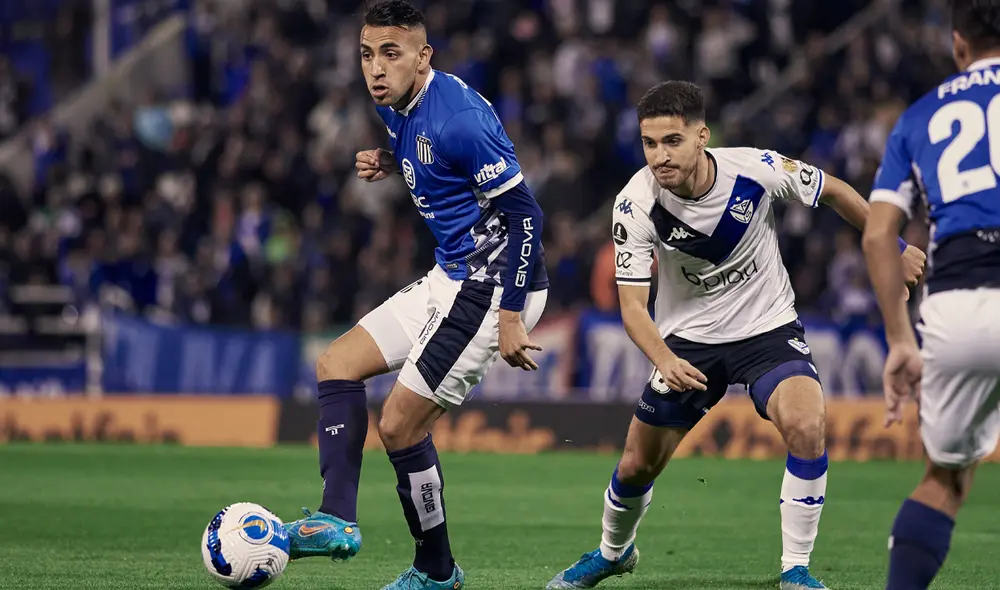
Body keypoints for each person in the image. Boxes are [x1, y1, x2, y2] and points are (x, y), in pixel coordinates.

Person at [547, 80, 926, 590]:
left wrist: (893, 247)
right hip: (687, 344)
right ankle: (614, 553)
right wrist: (663, 359)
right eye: (650, 143)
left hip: (765, 329)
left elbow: (834, 190)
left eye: (673, 141)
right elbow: (633, 308)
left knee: (807, 423)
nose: (660, 156)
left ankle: (795, 569)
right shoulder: (635, 204)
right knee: (637, 464)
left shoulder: (755, 169)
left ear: (702, 136)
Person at [281, 2, 549, 589]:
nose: (375, 68)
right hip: (450, 273)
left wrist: (510, 316)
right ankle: (336, 519)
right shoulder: (394, 103)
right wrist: (394, 159)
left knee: (399, 426)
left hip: (493, 284)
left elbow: (526, 216)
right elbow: (434, 162)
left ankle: (436, 571)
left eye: (390, 53)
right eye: (366, 54)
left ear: (423, 57)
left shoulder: (459, 121)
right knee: (336, 364)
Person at [862, 2, 1000, 588]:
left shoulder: (920, 116)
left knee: (945, 477)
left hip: (959, 302)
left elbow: (877, 235)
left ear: (958, 44)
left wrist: (900, 340)